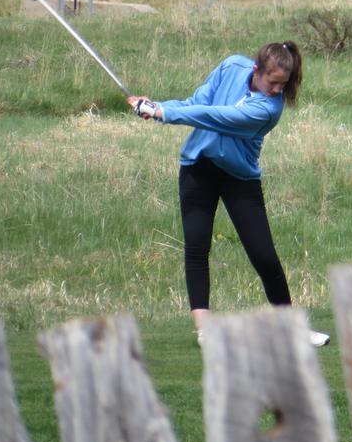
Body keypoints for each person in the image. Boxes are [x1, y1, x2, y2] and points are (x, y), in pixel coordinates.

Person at [127, 41, 330, 348]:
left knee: (264, 255)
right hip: (198, 167)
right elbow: (197, 102)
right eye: (273, 82)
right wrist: (156, 106)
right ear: (256, 70)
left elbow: (214, 116)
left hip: (239, 178)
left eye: (283, 84)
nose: (278, 90)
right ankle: (204, 330)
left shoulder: (268, 109)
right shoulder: (232, 66)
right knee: (197, 247)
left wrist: (160, 112)